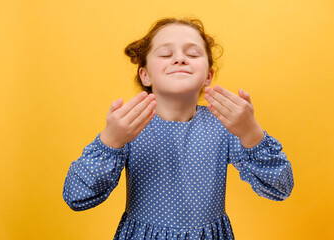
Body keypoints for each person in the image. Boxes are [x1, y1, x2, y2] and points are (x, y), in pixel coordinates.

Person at [62, 18, 294, 240]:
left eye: (192, 54)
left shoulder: (224, 126)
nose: (180, 59)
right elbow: (77, 196)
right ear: (145, 74)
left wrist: (251, 133)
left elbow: (280, 187)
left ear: (208, 76)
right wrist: (110, 141)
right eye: (165, 54)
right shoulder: (129, 127)